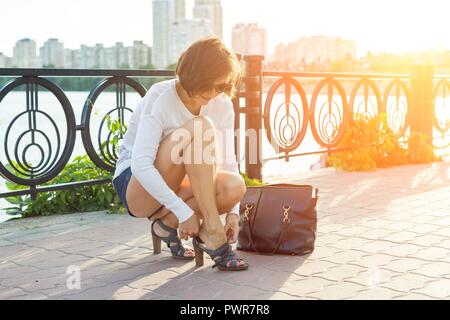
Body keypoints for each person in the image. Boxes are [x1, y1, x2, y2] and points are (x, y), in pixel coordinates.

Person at [112, 37, 248, 271]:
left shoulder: (221, 103)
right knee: (200, 127)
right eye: (214, 85)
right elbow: (142, 164)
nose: (217, 93)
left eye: (223, 86)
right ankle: (213, 234)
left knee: (235, 187)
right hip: (136, 183)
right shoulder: (160, 97)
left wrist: (234, 213)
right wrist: (183, 210)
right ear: (197, 74)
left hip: (182, 183)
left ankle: (166, 225)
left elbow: (227, 160)